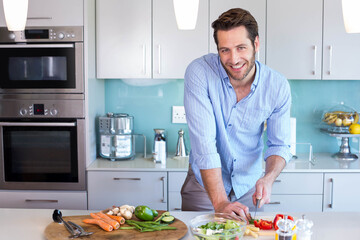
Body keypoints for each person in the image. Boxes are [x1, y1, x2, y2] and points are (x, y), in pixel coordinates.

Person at [181, 8, 292, 220]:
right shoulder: (199, 73)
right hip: (204, 188)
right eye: (225, 50)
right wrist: (220, 201)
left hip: (249, 189)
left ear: (256, 44)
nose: (233, 59)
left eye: (241, 48)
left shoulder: (277, 86)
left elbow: (279, 145)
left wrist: (268, 178)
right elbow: (204, 145)